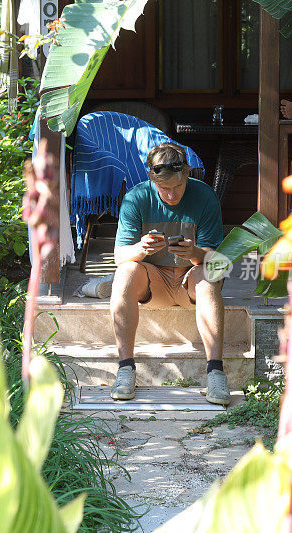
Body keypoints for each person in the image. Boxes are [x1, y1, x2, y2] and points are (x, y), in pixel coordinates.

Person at [109, 143, 230, 405]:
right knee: (125, 272)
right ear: (152, 179)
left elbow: (219, 263)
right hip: (155, 282)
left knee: (209, 275)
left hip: (192, 280)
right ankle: (126, 369)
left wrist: (194, 252)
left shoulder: (206, 197)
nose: (171, 195)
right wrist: (141, 248)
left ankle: (216, 373)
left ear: (187, 175)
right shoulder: (136, 198)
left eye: (177, 187)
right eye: (164, 189)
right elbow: (120, 257)